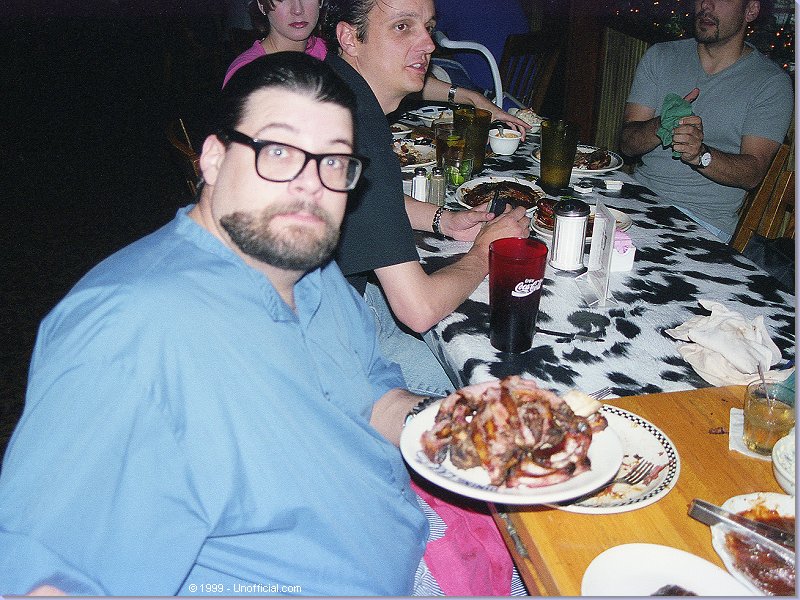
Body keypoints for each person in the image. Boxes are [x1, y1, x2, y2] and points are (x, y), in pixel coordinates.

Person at [0, 53, 432, 595]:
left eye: (333, 161)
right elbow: (47, 574)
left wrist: (457, 422)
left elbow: (374, 399)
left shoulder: (309, 270)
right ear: (213, 158)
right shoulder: (130, 328)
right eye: (278, 152)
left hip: (413, 535)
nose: (310, 186)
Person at [317, 0, 530, 398]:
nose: (427, 43)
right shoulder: (356, 128)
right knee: (497, 392)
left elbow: (362, 200)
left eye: (428, 27)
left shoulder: (334, 89)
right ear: (350, 38)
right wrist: (485, 252)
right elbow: (418, 309)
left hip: (326, 300)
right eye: (402, 27)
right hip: (316, 346)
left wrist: (443, 220)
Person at [619, 0, 793, 242]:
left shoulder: (771, 84)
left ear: (751, 11)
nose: (706, 5)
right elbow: (627, 144)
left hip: (700, 222)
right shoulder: (661, 56)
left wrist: (700, 155)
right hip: (636, 199)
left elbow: (753, 172)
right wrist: (662, 124)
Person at [222, 0, 529, 133]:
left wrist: (471, 97)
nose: (299, 9)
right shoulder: (249, 75)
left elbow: (397, 74)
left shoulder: (322, 51)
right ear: (262, 6)